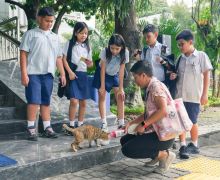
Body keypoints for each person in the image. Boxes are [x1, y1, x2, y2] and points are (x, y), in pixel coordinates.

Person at [121, 60, 176, 174]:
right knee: (125, 140)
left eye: (135, 78)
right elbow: (148, 114)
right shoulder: (150, 87)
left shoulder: (156, 87)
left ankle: (165, 155)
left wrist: (143, 124)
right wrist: (131, 123)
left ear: (144, 75)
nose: (135, 82)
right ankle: (157, 157)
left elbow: (163, 111)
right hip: (155, 132)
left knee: (128, 149)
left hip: (164, 136)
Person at [20, 7, 66, 141]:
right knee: (33, 101)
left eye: (52, 21)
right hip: (33, 73)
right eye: (47, 21)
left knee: (46, 102)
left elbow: (58, 58)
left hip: (48, 75)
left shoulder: (55, 37)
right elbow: (23, 54)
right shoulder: (30, 34)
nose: (50, 24)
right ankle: (30, 128)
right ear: (39, 19)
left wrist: (62, 74)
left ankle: (47, 128)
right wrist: (24, 73)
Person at [170, 29, 213, 159]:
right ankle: (183, 144)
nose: (180, 47)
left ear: (190, 42)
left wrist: (204, 94)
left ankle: (194, 144)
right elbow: (177, 75)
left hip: (194, 96)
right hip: (180, 96)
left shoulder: (201, 56)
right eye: (178, 44)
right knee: (181, 121)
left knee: (192, 121)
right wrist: (173, 76)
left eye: (182, 44)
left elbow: (207, 75)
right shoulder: (180, 59)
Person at [92, 34, 129, 132]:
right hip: (102, 73)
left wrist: (121, 88)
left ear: (122, 47)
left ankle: (121, 123)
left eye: (117, 49)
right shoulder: (105, 52)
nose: (114, 51)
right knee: (102, 96)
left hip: (115, 74)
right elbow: (102, 69)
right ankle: (104, 123)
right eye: (112, 48)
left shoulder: (125, 53)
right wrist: (102, 87)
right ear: (109, 46)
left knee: (120, 96)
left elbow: (121, 71)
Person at [62, 22, 93, 135]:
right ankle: (71, 125)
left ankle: (80, 125)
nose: (84, 35)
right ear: (75, 33)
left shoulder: (88, 46)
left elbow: (90, 64)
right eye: (81, 33)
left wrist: (89, 63)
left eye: (86, 33)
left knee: (83, 102)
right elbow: (64, 59)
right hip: (73, 75)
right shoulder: (69, 44)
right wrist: (69, 72)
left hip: (83, 75)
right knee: (74, 101)